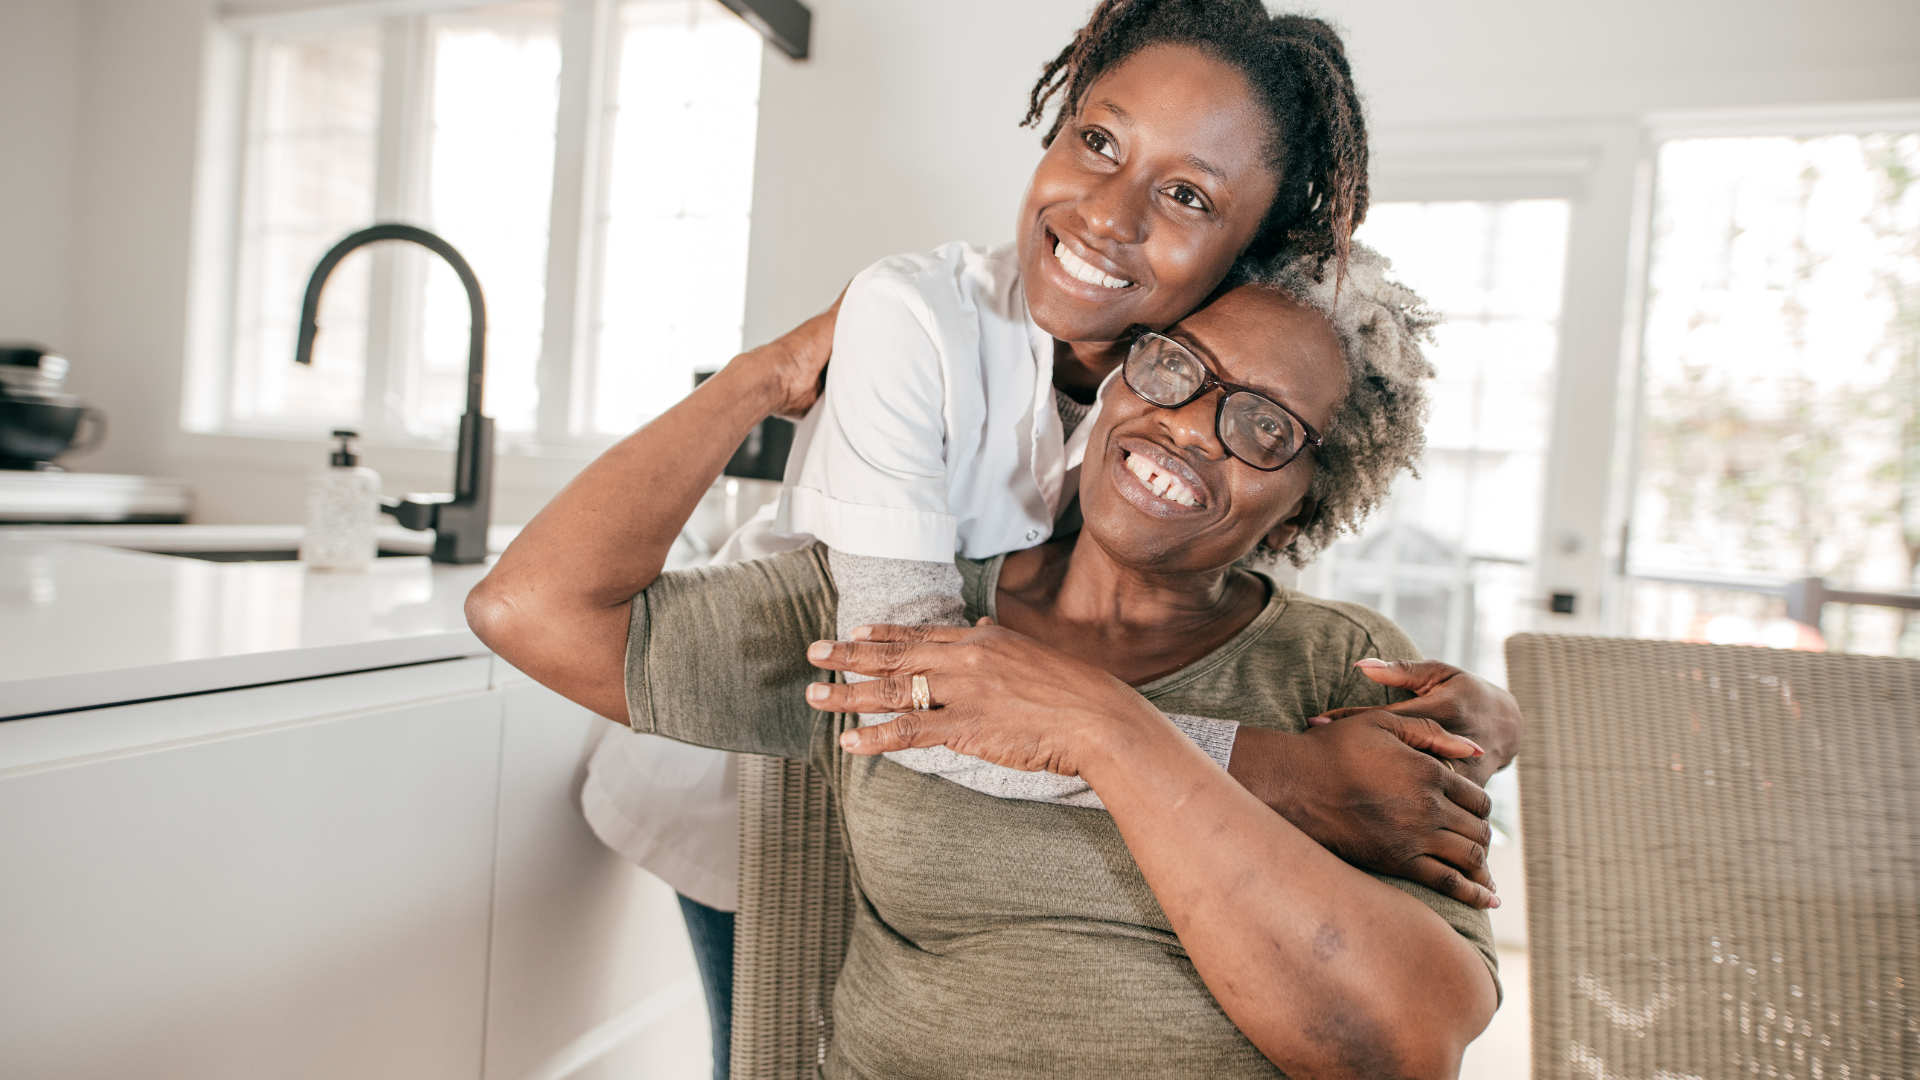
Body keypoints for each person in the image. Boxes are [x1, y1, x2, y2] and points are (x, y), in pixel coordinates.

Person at [468, 245, 1505, 1078]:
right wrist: (762, 377)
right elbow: (532, 609)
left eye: (1265, 426)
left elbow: (1404, 1044)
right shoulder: (904, 607)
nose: (1188, 426)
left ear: (1309, 500)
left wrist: (1101, 729)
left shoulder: (1346, 671)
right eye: (1175, 367)